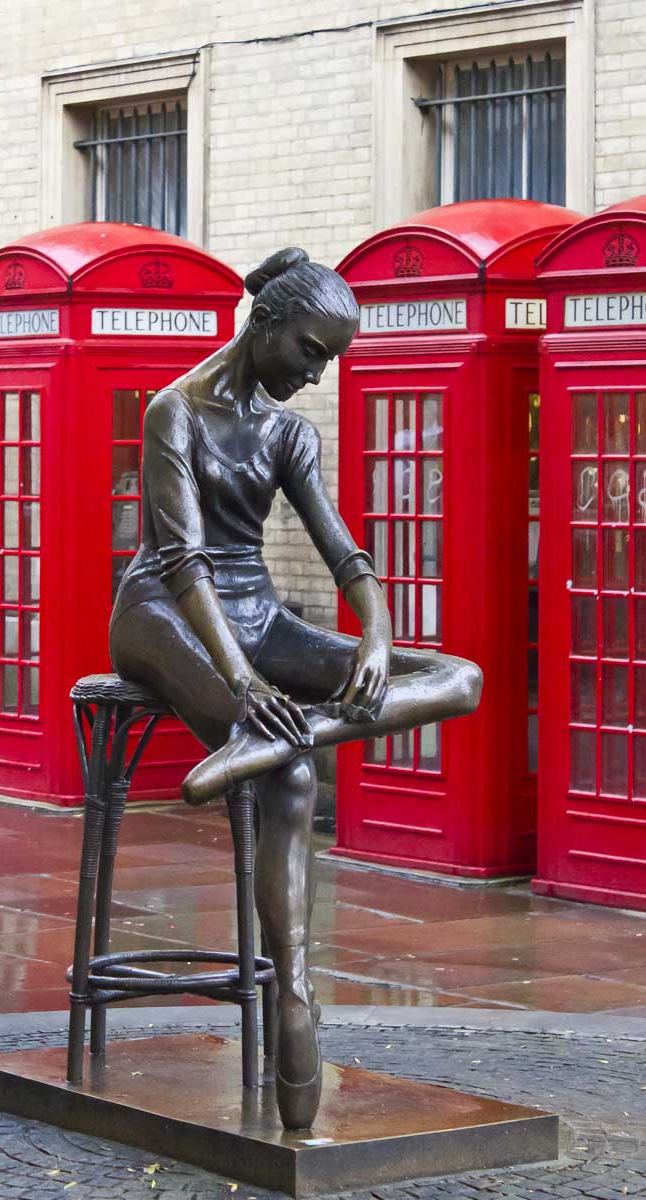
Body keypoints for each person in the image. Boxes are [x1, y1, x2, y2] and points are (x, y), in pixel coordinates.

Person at [109, 247, 483, 1130]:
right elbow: (185, 560)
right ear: (267, 323)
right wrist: (238, 680)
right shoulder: (175, 411)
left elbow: (341, 546)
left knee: (458, 678)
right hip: (164, 615)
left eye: (330, 361)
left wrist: (380, 640)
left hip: (259, 616)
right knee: (296, 782)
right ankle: (298, 994)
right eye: (312, 352)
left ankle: (279, 737)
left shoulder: (288, 432)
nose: (316, 376)